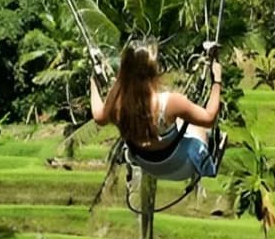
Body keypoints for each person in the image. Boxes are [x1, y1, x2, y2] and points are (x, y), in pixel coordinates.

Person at [90, 41, 227, 181]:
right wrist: (217, 80)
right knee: (195, 126)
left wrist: (93, 80)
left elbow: (99, 117)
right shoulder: (171, 103)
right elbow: (209, 118)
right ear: (154, 71)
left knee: (177, 120)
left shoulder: (117, 105)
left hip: (148, 166)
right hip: (181, 167)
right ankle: (208, 160)